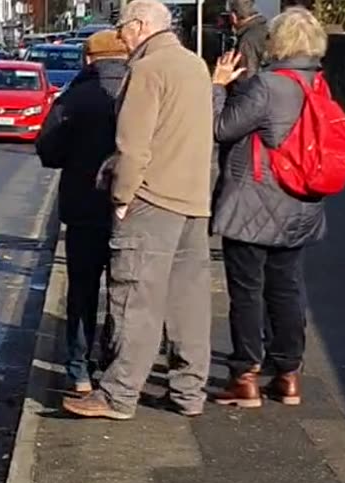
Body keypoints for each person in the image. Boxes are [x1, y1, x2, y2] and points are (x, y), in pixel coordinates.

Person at [62, 0, 214, 420]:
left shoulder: (147, 71)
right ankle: (188, 392)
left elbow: (132, 146)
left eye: (124, 27)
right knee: (188, 302)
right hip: (193, 201)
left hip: (151, 199)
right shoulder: (195, 66)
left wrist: (122, 197)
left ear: (142, 25)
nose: (121, 36)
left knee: (135, 298)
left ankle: (118, 394)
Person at [209, 6, 330, 408]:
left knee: (247, 290)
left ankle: (245, 376)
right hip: (299, 201)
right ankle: (288, 375)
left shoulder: (267, 85)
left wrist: (218, 86)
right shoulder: (319, 85)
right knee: (287, 288)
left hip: (253, 201)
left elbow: (222, 128)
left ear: (277, 42)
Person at [34, 29, 129, 395]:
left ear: (89, 59)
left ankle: (79, 369)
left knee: (83, 290)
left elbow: (48, 149)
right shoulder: (139, 91)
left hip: (83, 205)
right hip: (132, 207)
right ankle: (118, 364)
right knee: (127, 291)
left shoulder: (76, 96)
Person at [228, 0, 270, 80]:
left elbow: (246, 75)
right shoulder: (268, 30)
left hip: (253, 89)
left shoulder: (247, 40)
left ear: (234, 17)